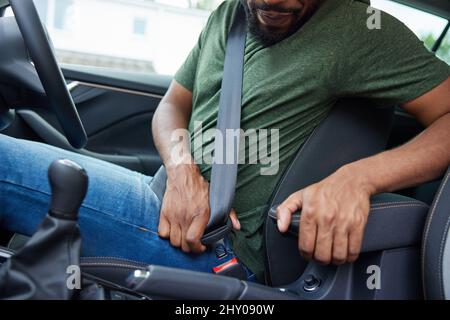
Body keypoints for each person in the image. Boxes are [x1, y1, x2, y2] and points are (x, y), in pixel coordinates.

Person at [0, 0, 449, 283]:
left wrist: (358, 178)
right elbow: (171, 105)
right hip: (165, 199)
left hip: (218, 250)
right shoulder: (227, 17)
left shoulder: (361, 28)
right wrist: (182, 171)